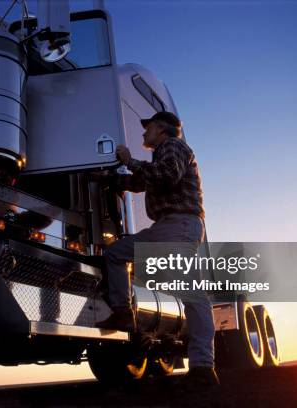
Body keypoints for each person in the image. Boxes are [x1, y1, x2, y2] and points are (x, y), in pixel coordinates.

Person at [94, 111, 219, 386]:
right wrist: (113, 180)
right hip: (170, 226)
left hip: (178, 225)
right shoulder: (163, 151)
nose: (143, 134)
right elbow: (142, 181)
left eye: (147, 128)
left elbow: (167, 175)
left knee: (192, 294)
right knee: (117, 253)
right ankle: (125, 313)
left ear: (161, 129)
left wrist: (129, 160)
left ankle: (203, 367)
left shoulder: (172, 146)